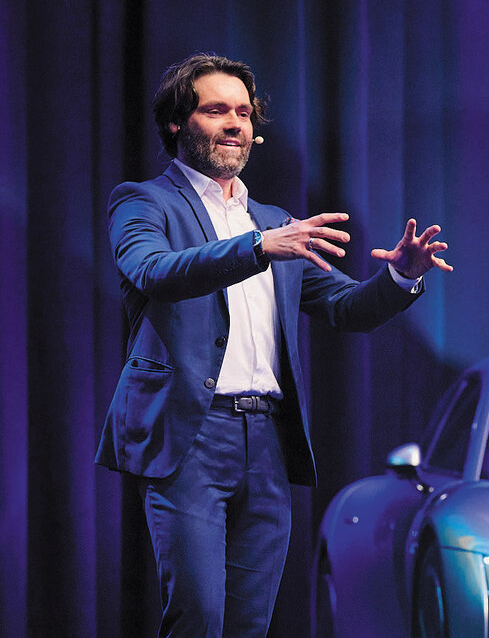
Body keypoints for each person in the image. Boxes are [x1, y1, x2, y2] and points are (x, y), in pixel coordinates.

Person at [95, 53, 451, 636]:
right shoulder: (145, 202)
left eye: (243, 113)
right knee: (199, 615)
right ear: (177, 123)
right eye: (216, 110)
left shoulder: (271, 220)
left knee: (250, 622)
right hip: (189, 434)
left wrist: (400, 276)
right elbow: (152, 270)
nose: (235, 124)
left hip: (266, 441)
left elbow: (347, 308)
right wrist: (259, 247)